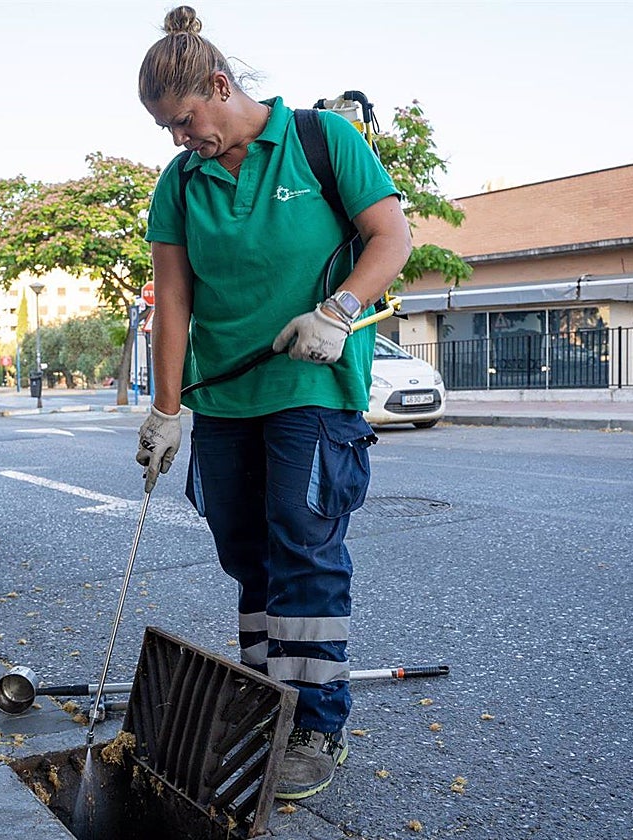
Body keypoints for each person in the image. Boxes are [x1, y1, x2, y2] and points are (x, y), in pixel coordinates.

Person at [134, 6, 412, 801]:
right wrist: (165, 410)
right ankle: (266, 701)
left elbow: (392, 239)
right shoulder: (181, 181)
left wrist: (340, 311)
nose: (180, 139)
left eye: (184, 121)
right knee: (244, 552)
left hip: (310, 390)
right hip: (223, 398)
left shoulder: (324, 141)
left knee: (303, 545)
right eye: (166, 129)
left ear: (220, 86)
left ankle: (316, 724)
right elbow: (175, 301)